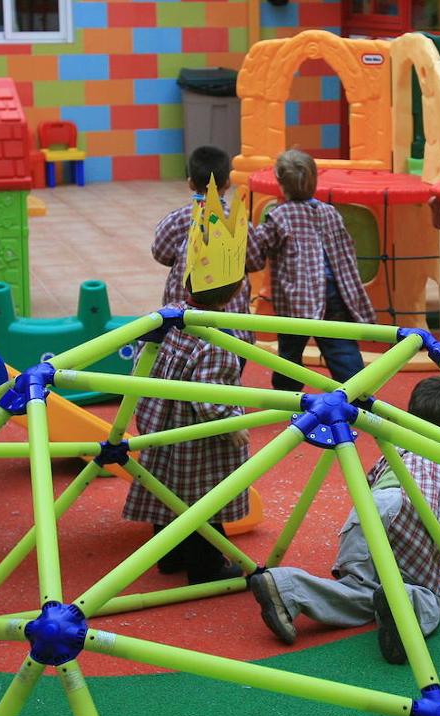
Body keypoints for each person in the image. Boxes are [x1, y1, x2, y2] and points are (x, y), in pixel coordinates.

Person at [248, 377, 440, 664]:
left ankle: (287, 587)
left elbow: (366, 483)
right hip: (411, 510)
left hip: (369, 510)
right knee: (425, 591)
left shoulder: (396, 444)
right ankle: (405, 609)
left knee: (361, 586)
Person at [123, 204, 253, 585]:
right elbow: (209, 399)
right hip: (196, 441)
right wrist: (233, 426)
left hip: (163, 427)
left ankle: (168, 556)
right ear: (234, 294)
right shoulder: (215, 340)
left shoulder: (170, 316)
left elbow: (141, 365)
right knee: (204, 502)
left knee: (167, 492)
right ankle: (206, 569)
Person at [246, 149, 375, 391]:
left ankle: (288, 395)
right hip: (335, 292)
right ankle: (358, 393)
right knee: (341, 347)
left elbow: (256, 253)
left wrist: (244, 233)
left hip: (297, 300)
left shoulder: (280, 216)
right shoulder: (330, 212)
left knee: (290, 350)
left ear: (280, 184)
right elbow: (346, 247)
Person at [152, 145, 253, 347]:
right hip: (232, 329)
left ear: (190, 183)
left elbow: (160, 252)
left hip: (184, 326)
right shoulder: (240, 223)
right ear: (228, 182)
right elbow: (255, 258)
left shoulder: (177, 220)